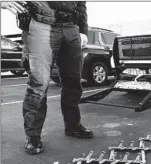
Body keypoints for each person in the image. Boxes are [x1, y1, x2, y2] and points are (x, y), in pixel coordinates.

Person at [1, 1, 93, 155]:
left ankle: (73, 126)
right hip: (40, 24)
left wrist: (83, 30)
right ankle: (33, 137)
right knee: (39, 84)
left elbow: (81, 3)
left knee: (73, 81)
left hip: (71, 27)